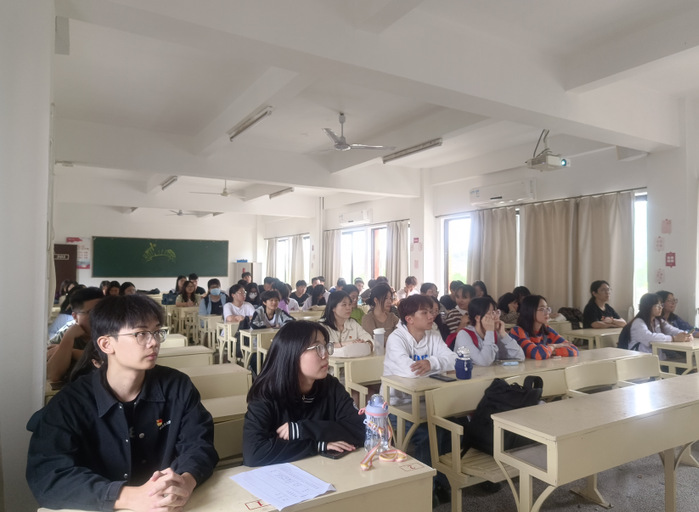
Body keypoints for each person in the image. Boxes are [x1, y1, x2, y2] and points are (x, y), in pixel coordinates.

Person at [27, 294, 218, 511]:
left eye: (156, 332)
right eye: (141, 333)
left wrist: (186, 481)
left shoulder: (177, 386)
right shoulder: (70, 403)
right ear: (106, 344)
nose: (154, 342)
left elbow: (200, 444)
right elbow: (47, 476)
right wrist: (128, 497)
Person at [242, 321, 365, 466]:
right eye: (318, 348)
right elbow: (254, 453)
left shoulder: (330, 386)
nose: (326, 354)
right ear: (292, 353)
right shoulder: (266, 394)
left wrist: (302, 429)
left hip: (326, 470)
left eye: (326, 346)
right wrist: (317, 446)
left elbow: (360, 430)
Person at [381, 294, 456, 502]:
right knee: (427, 432)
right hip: (397, 405)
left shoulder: (432, 334)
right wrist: (438, 365)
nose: (432, 316)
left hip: (428, 400)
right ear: (409, 319)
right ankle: (425, 487)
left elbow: (453, 359)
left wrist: (431, 363)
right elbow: (410, 371)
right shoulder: (397, 339)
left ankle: (442, 479)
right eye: (425, 312)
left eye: (432, 312)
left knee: (452, 424)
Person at [46, 286, 104, 383]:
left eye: (101, 311)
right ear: (75, 316)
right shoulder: (65, 334)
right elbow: (53, 375)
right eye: (91, 312)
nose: (98, 316)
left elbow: (106, 361)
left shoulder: (112, 333)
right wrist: (68, 337)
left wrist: (71, 351)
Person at [454, 297, 524, 366]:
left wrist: (503, 334)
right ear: (477, 318)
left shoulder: (495, 334)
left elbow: (519, 357)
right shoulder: (463, 335)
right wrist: (489, 331)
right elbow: (484, 362)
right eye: (491, 313)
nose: (496, 317)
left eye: (496, 312)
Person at [509, 295, 579, 359]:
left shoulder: (547, 330)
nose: (547, 312)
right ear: (530, 311)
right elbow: (539, 354)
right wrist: (555, 346)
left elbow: (574, 349)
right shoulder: (517, 331)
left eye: (547, 309)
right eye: (542, 309)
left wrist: (552, 351)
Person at [622, 293, 692, 353]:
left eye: (661, 305)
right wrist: (673, 338)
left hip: (656, 357)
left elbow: (672, 330)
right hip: (641, 359)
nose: (661, 308)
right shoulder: (638, 322)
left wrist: (685, 334)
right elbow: (650, 337)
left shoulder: (658, 321)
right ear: (648, 307)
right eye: (658, 306)